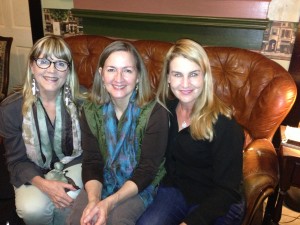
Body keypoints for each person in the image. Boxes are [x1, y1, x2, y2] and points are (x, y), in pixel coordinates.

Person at [136, 39, 245, 225]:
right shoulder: (164, 112)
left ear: (205, 76)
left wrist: (190, 222)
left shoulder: (225, 126)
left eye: (193, 74)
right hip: (176, 191)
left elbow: (228, 190)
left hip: (217, 202)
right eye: (177, 74)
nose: (185, 83)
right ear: (168, 78)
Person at [66, 41, 169, 225]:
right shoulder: (90, 110)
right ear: (101, 74)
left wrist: (108, 203)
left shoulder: (155, 112)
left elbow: (147, 169)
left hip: (140, 184)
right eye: (111, 69)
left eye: (128, 70)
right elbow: (92, 161)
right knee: (79, 219)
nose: (118, 78)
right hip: (103, 178)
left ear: (138, 76)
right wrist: (93, 201)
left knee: (118, 220)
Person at [0, 35, 83, 225]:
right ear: (31, 65)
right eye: (44, 61)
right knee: (33, 210)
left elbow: (92, 152)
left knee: (69, 199)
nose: (52, 70)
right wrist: (45, 186)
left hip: (73, 162)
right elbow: (16, 161)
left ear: (68, 69)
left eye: (60, 63)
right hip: (31, 168)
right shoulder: (10, 109)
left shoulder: (83, 103)